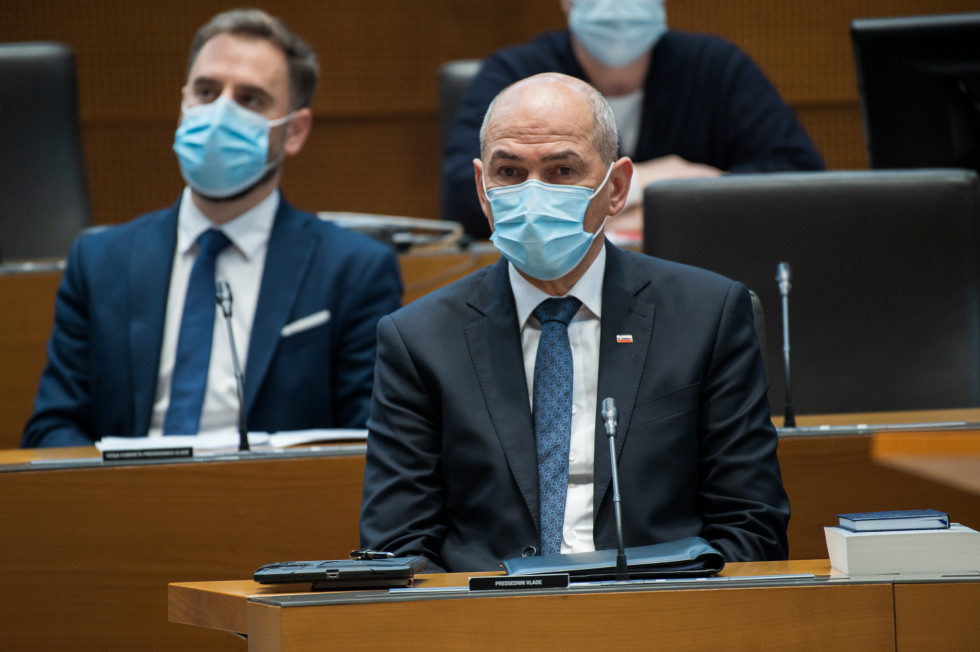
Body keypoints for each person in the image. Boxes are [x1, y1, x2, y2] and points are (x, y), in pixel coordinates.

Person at [360, 72, 790, 572]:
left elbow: (751, 525)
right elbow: (398, 545)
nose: (533, 194)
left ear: (617, 187)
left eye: (562, 171)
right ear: (482, 188)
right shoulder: (417, 339)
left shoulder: (707, 315)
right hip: (490, 624)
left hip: (660, 613)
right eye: (510, 173)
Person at [22, 9, 402, 447]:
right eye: (206, 91)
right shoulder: (99, 261)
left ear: (294, 131)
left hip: (275, 507)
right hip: (123, 505)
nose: (221, 112)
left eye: (250, 99)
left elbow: (366, 443)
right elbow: (52, 428)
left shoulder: (354, 271)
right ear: (184, 103)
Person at [441, 0, 824, 239]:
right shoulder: (516, 76)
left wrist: (586, 205)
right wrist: (669, 181)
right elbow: (465, 195)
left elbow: (797, 179)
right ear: (566, 3)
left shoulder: (717, 67)